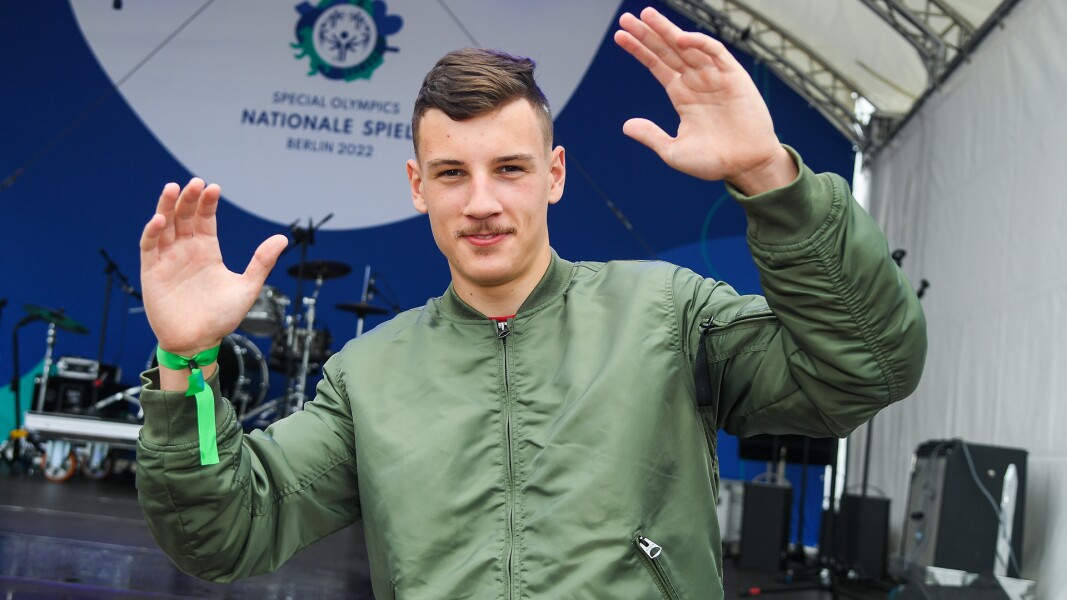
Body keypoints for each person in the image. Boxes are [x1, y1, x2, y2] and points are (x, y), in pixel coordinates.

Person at [137, 7, 926, 599]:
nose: (481, 202)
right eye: (452, 174)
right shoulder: (367, 377)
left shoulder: (666, 315)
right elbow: (225, 531)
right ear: (419, 188)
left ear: (552, 175)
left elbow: (865, 367)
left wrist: (767, 178)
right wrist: (185, 366)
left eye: (508, 169)